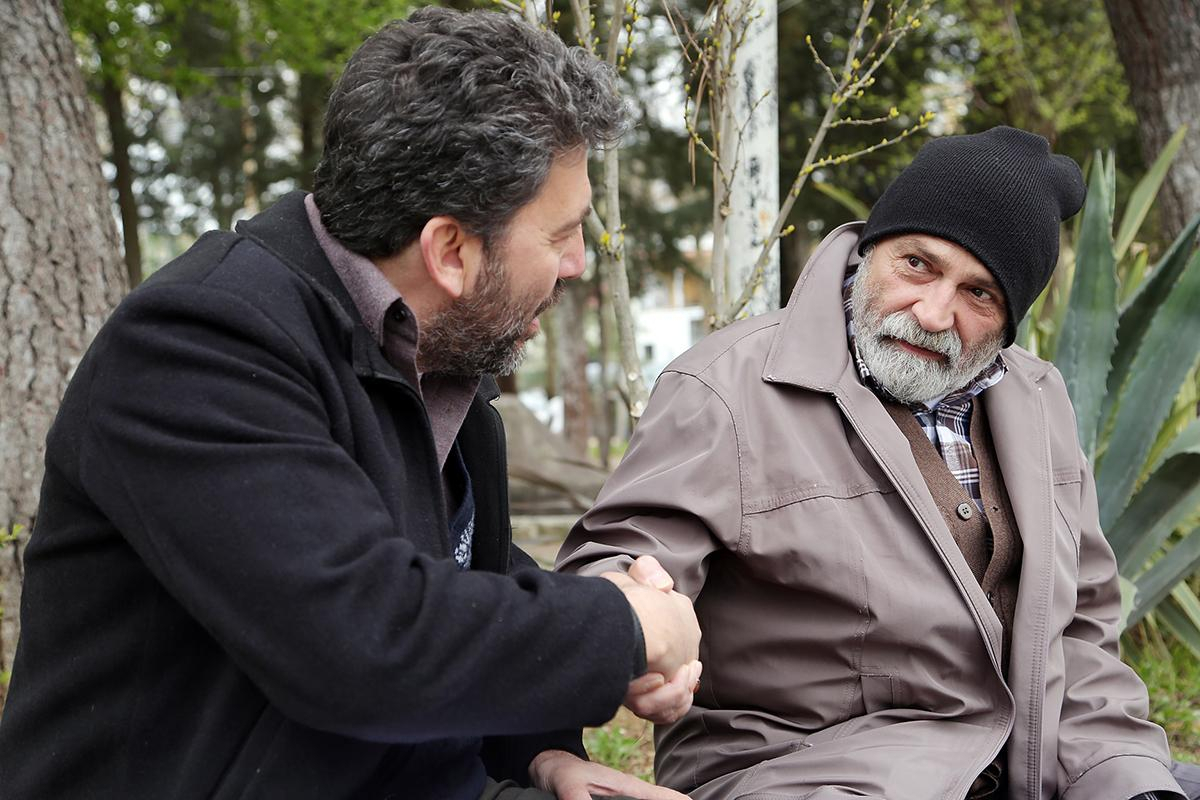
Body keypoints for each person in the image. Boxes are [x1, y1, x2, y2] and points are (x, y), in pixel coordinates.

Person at [0, 9, 702, 800]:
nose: (577, 263)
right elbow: (364, 641)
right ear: (450, 251)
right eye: (560, 234)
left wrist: (542, 756)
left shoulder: (441, 356)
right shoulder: (197, 348)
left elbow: (465, 572)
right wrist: (625, 625)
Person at [558, 126, 1200, 800]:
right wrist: (635, 626)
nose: (932, 312)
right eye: (917, 264)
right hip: (807, 779)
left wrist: (1124, 779)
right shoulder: (725, 389)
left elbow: (1082, 632)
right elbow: (617, 568)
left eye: (979, 293)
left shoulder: (1039, 401)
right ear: (871, 249)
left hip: (1025, 776)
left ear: (1009, 322)